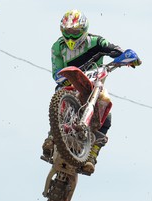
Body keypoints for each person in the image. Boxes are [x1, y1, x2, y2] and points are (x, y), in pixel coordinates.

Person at [42, 9, 141, 174]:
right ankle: (51, 138)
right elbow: (56, 72)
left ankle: (92, 157)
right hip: (69, 82)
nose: (72, 36)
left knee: (106, 113)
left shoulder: (95, 41)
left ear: (83, 29)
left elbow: (113, 49)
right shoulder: (57, 47)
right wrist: (62, 79)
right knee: (61, 96)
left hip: (94, 81)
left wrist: (128, 57)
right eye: (68, 32)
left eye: (75, 31)